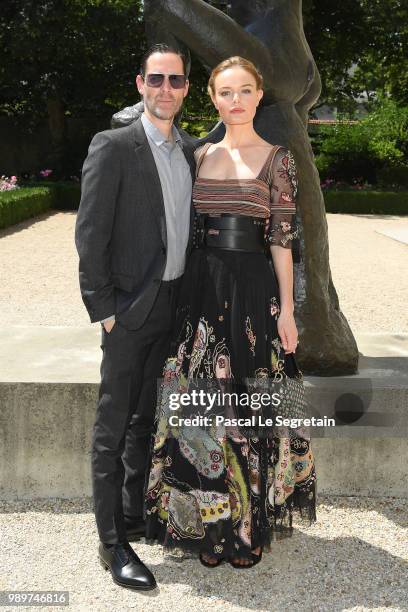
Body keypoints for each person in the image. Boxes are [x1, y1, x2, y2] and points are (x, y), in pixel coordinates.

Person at [144, 56, 317, 569]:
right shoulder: (197, 154)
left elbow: (283, 241)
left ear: (259, 95)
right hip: (200, 291)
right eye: (225, 91)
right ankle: (208, 522)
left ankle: (248, 526)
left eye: (244, 90)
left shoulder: (279, 159)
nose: (235, 100)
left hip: (252, 291)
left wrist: (287, 311)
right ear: (213, 98)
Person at [75, 43, 195, 589]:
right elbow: (90, 234)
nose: (165, 88)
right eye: (156, 79)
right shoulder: (114, 146)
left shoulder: (191, 151)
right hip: (127, 312)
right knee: (113, 425)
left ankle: (131, 516)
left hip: (170, 308)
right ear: (140, 83)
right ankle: (110, 543)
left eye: (175, 80)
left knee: (145, 419)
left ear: (186, 88)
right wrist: (103, 309)